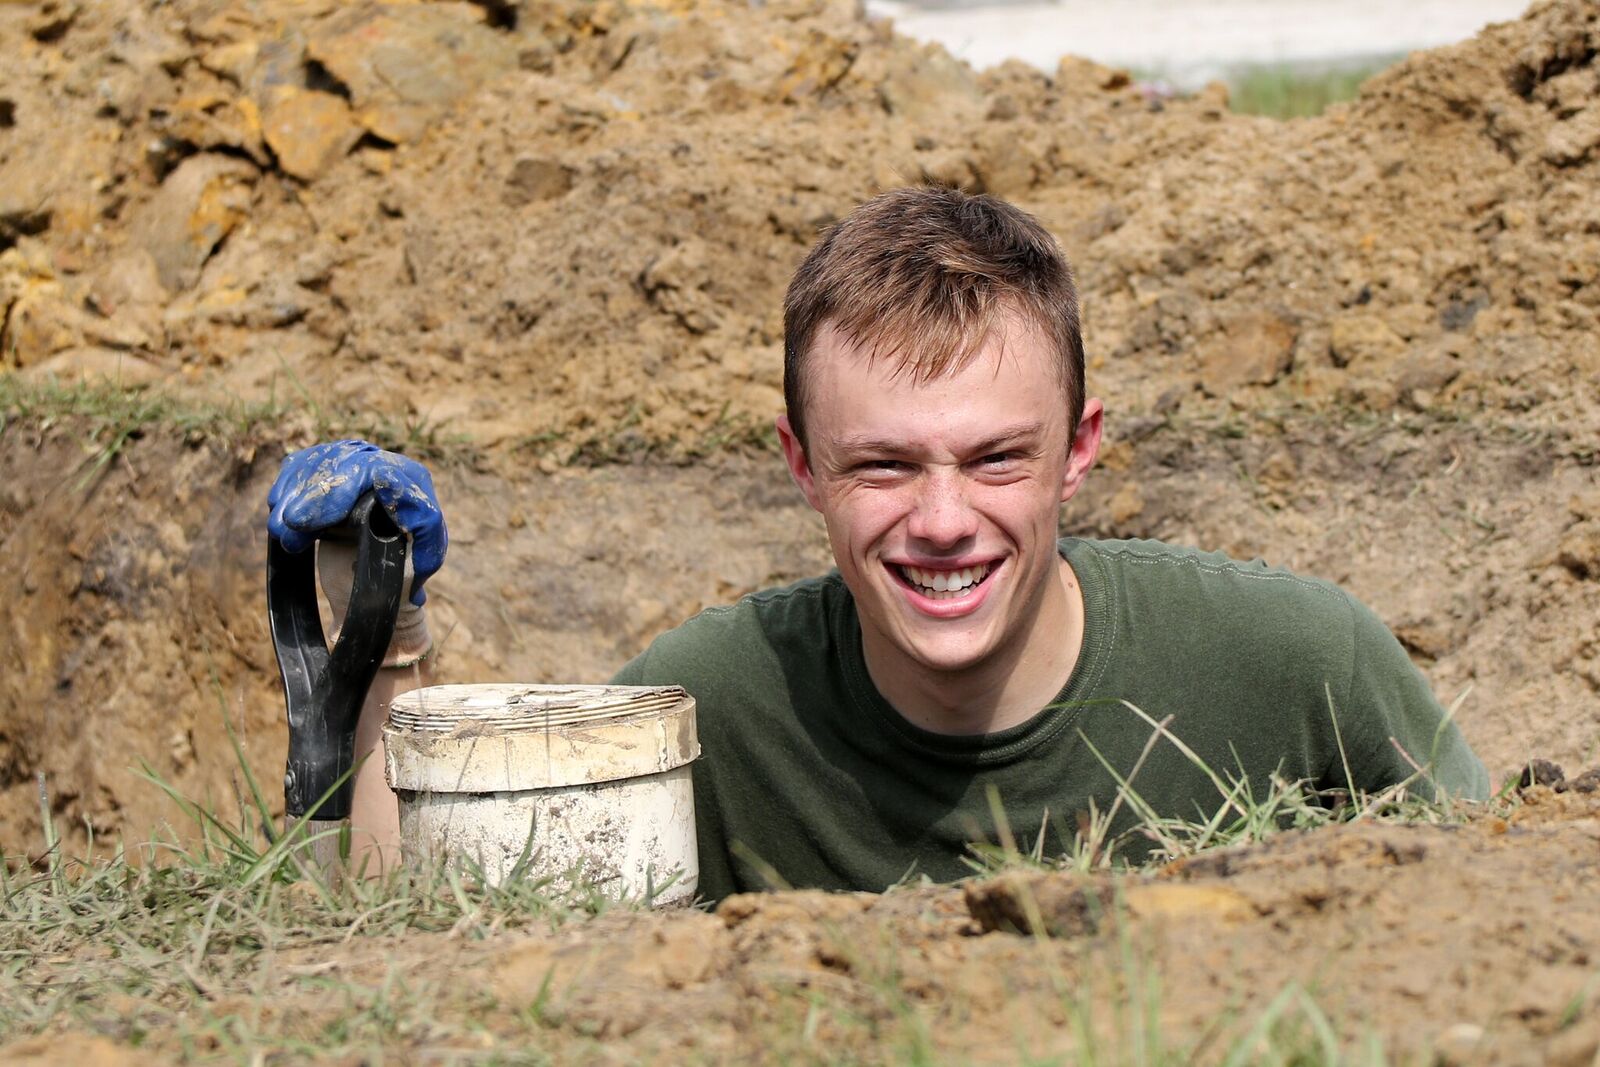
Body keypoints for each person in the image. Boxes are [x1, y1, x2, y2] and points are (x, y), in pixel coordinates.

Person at [267, 186, 1491, 899]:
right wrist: (381, 639)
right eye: (884, 463)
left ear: (1080, 448)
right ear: (802, 464)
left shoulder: (1291, 663)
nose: (945, 519)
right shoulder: (721, 703)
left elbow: (1502, 901)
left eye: (998, 457)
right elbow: (440, 932)